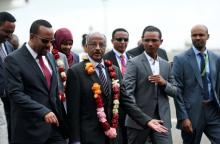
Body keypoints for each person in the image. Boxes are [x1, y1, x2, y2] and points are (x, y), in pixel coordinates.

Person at [66, 32, 169, 144]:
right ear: (86, 46)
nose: (97, 48)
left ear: (106, 47)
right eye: (93, 44)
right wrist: (75, 140)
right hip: (89, 136)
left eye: (101, 45)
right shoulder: (75, 72)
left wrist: (147, 120)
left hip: (114, 136)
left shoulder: (114, 70)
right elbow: (73, 111)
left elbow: (126, 101)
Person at [4, 19, 68, 144]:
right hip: (29, 131)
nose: (49, 45)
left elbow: (53, 92)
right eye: (45, 41)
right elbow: (15, 93)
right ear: (32, 37)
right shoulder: (13, 60)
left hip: (54, 129)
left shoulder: (49, 57)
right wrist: (43, 111)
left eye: (52, 41)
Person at [123, 26, 178, 144]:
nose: (150, 44)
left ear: (161, 42)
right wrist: (139, 116)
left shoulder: (165, 65)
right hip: (138, 122)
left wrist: (164, 83)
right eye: (147, 40)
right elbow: (128, 93)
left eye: (154, 40)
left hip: (162, 122)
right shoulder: (133, 63)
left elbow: (176, 91)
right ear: (142, 40)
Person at [172, 24, 220, 144]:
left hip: (213, 111)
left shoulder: (216, 58)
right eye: (194, 35)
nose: (197, 38)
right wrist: (183, 117)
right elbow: (177, 91)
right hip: (191, 114)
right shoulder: (180, 59)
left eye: (201, 35)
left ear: (207, 36)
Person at [103, 28, 133, 144]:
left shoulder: (133, 58)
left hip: (130, 109)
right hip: (112, 111)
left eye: (125, 39)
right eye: (119, 39)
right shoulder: (104, 59)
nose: (122, 42)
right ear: (112, 41)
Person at [0, 11, 16, 143]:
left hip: (11, 102)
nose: (10, 36)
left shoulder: (9, 46)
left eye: (12, 32)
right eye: (6, 31)